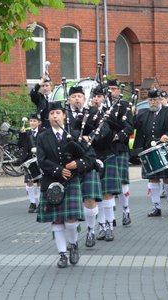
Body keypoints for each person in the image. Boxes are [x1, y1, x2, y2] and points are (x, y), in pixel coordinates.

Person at [36, 101, 96, 268]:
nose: (55, 116)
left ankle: (74, 244)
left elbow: (90, 156)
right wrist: (58, 170)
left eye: (58, 113)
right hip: (52, 182)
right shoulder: (42, 137)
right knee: (56, 220)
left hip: (72, 181)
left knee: (70, 220)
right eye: (52, 114)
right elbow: (41, 160)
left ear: (64, 115)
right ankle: (62, 254)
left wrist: (78, 163)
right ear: (48, 117)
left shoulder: (75, 134)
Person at [133, 89, 168, 217]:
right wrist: (132, 114)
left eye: (155, 100)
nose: (153, 102)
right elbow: (132, 125)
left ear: (161, 100)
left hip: (167, 149)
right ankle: (156, 207)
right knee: (152, 179)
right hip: (149, 151)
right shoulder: (143, 113)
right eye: (151, 100)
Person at [66, 85, 103, 247]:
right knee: (71, 203)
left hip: (88, 161)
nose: (76, 99)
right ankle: (71, 238)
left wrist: (93, 136)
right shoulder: (63, 115)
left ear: (84, 98)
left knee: (89, 199)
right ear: (69, 100)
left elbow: (104, 130)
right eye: (73, 96)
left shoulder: (93, 113)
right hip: (68, 164)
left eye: (79, 96)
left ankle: (91, 230)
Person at [89, 86, 122, 242]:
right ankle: (101, 226)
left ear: (103, 98)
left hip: (108, 154)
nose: (97, 99)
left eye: (99, 96)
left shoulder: (110, 112)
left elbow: (118, 127)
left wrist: (107, 116)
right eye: (94, 96)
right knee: (97, 195)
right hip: (93, 157)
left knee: (107, 193)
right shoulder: (87, 114)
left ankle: (109, 227)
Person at [107, 78, 134, 226]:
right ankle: (110, 216)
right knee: (108, 186)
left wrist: (118, 136)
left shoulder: (125, 106)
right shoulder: (102, 106)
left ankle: (126, 210)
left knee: (122, 182)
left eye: (114, 88)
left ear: (119, 90)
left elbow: (129, 126)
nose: (111, 91)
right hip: (106, 148)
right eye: (109, 88)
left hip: (119, 147)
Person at [17, 113, 45, 213]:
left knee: (39, 182)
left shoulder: (44, 132)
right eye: (31, 121)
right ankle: (32, 203)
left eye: (35, 121)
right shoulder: (26, 132)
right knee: (29, 182)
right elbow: (20, 145)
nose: (32, 123)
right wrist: (22, 134)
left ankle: (41, 203)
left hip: (40, 159)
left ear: (39, 122)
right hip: (28, 160)